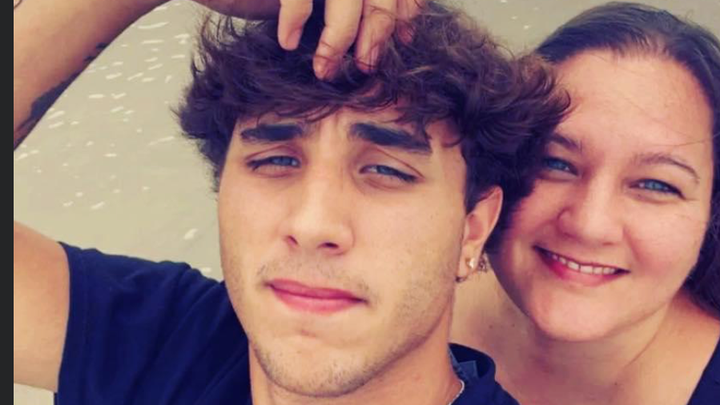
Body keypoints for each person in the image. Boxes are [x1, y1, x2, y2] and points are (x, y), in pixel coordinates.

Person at [14, 1, 567, 404]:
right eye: (275, 161)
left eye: (385, 171)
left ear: (473, 229)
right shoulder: (167, 343)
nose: (312, 223)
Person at [451, 2, 720, 404]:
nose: (589, 225)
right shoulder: (400, 296)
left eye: (656, 185)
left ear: (711, 212)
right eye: (555, 162)